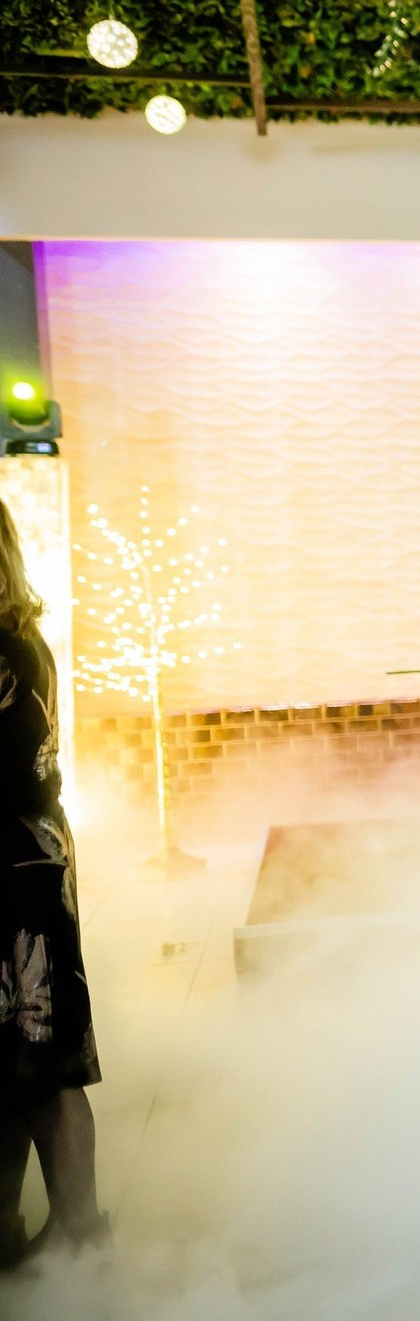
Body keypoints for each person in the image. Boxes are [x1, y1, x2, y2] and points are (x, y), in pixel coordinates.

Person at [0, 499, 104, 1264]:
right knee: (34, 1055)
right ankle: (70, 1233)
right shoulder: (24, 638)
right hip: (35, 857)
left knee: (34, 1056)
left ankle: (68, 1234)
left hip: (8, 867)